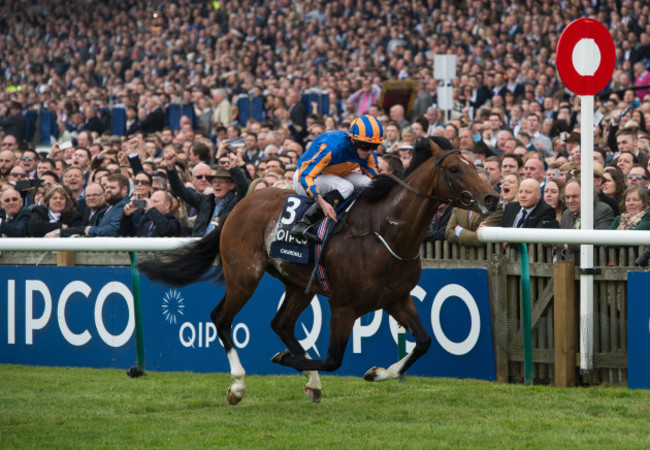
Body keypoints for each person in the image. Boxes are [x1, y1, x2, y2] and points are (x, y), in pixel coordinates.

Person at [291, 114, 382, 242]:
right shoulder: (332, 147)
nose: (369, 151)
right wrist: (322, 203)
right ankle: (303, 223)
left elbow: (376, 180)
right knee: (346, 187)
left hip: (335, 176)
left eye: (374, 147)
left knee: (369, 184)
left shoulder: (368, 154)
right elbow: (305, 176)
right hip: (304, 178)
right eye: (365, 146)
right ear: (353, 140)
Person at [164, 152, 249, 236]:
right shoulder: (204, 200)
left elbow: (244, 189)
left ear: (231, 186)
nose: (217, 184)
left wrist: (234, 169)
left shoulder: (235, 203)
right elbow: (180, 191)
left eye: (221, 181)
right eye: (214, 181)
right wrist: (171, 168)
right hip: (200, 246)